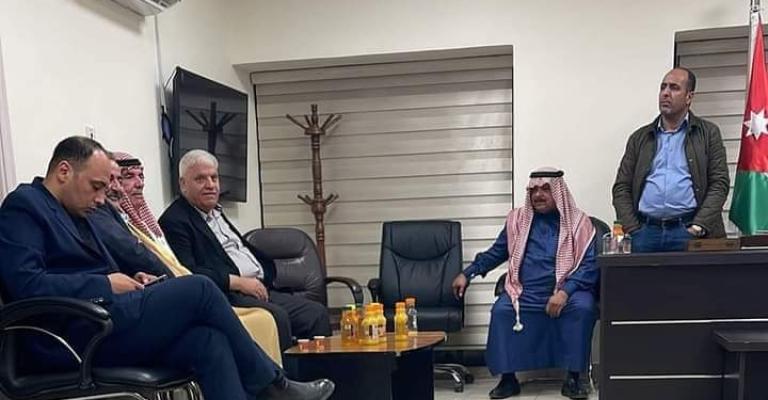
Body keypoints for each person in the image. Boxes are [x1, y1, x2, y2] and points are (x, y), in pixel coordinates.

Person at [0, 136, 334, 400]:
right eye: (97, 186)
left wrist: (132, 278)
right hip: (70, 338)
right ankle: (273, 385)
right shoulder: (24, 207)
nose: (102, 198)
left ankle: (271, 387)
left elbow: (91, 268)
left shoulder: (77, 209)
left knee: (209, 342)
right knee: (199, 287)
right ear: (63, 172)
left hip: (104, 323)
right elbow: (26, 286)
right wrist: (105, 284)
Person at [90, 154, 283, 363]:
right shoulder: (109, 219)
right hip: (150, 303)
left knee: (259, 321)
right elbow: (143, 260)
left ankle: (273, 378)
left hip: (184, 289)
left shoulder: (141, 222)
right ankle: (272, 378)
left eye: (138, 177)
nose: (138, 184)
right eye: (126, 177)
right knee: (259, 320)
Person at [159, 149, 331, 351]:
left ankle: (320, 370)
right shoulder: (175, 221)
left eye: (214, 177)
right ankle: (282, 372)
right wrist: (239, 282)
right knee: (276, 318)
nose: (210, 185)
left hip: (259, 288)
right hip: (227, 294)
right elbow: (188, 272)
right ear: (183, 184)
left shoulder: (215, 213)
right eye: (200, 179)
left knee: (316, 313)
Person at [452, 168, 597, 400]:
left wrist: (564, 293)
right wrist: (467, 273)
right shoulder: (517, 220)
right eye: (533, 190)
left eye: (546, 189)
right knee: (502, 310)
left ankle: (573, 378)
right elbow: (496, 252)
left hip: (567, 290)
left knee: (582, 308)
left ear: (558, 192)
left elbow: (589, 266)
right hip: (526, 291)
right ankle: (508, 379)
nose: (538, 195)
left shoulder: (580, 223)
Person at [612, 67, 730, 252]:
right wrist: (633, 228)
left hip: (689, 231)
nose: (665, 93)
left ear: (689, 97)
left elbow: (719, 183)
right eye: (663, 87)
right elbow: (621, 187)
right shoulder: (640, 138)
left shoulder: (708, 133)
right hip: (645, 233)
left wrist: (698, 227)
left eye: (674, 88)